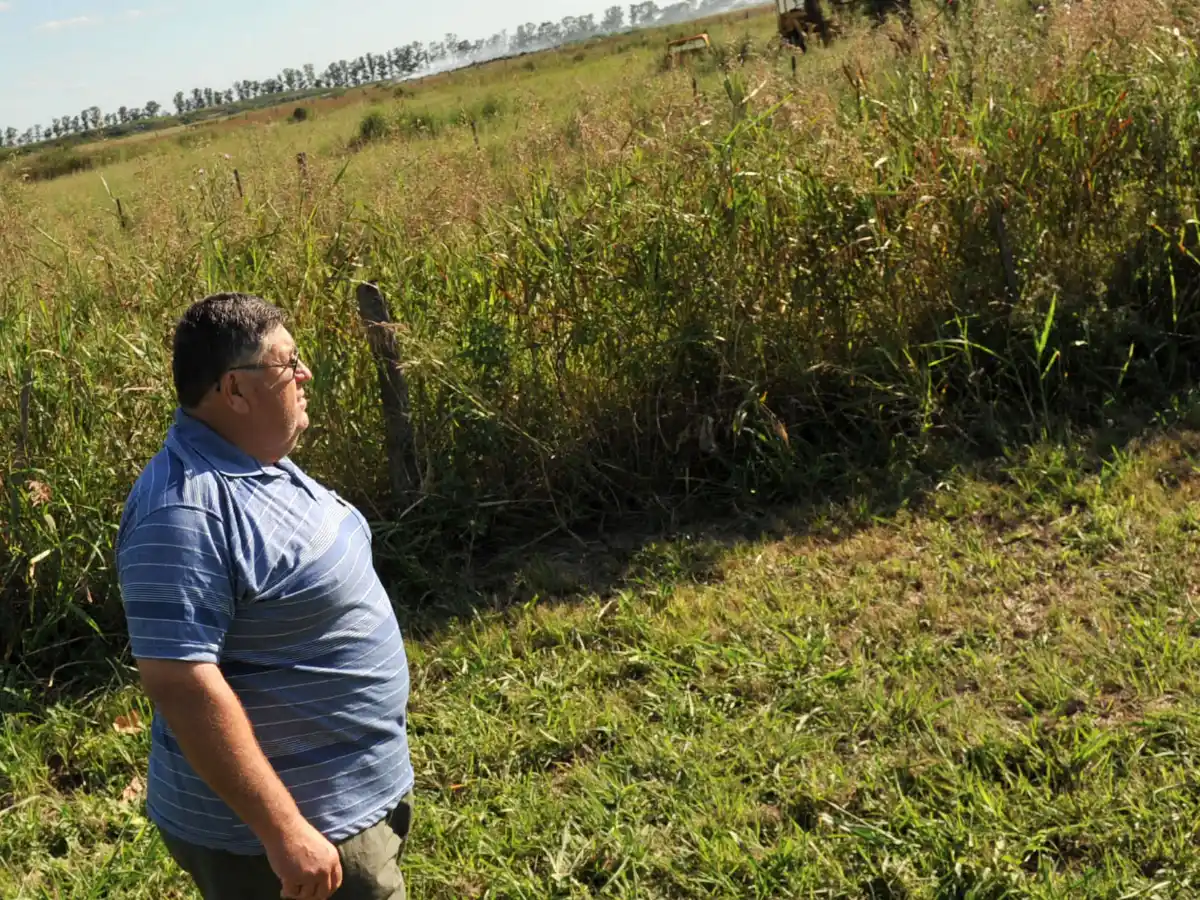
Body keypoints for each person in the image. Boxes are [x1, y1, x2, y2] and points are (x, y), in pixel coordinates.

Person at [115, 292, 414, 900]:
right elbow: (180, 682)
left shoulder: (255, 460)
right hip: (291, 841)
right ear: (235, 390)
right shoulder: (183, 511)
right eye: (288, 363)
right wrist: (283, 832)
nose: (305, 375)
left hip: (345, 798)